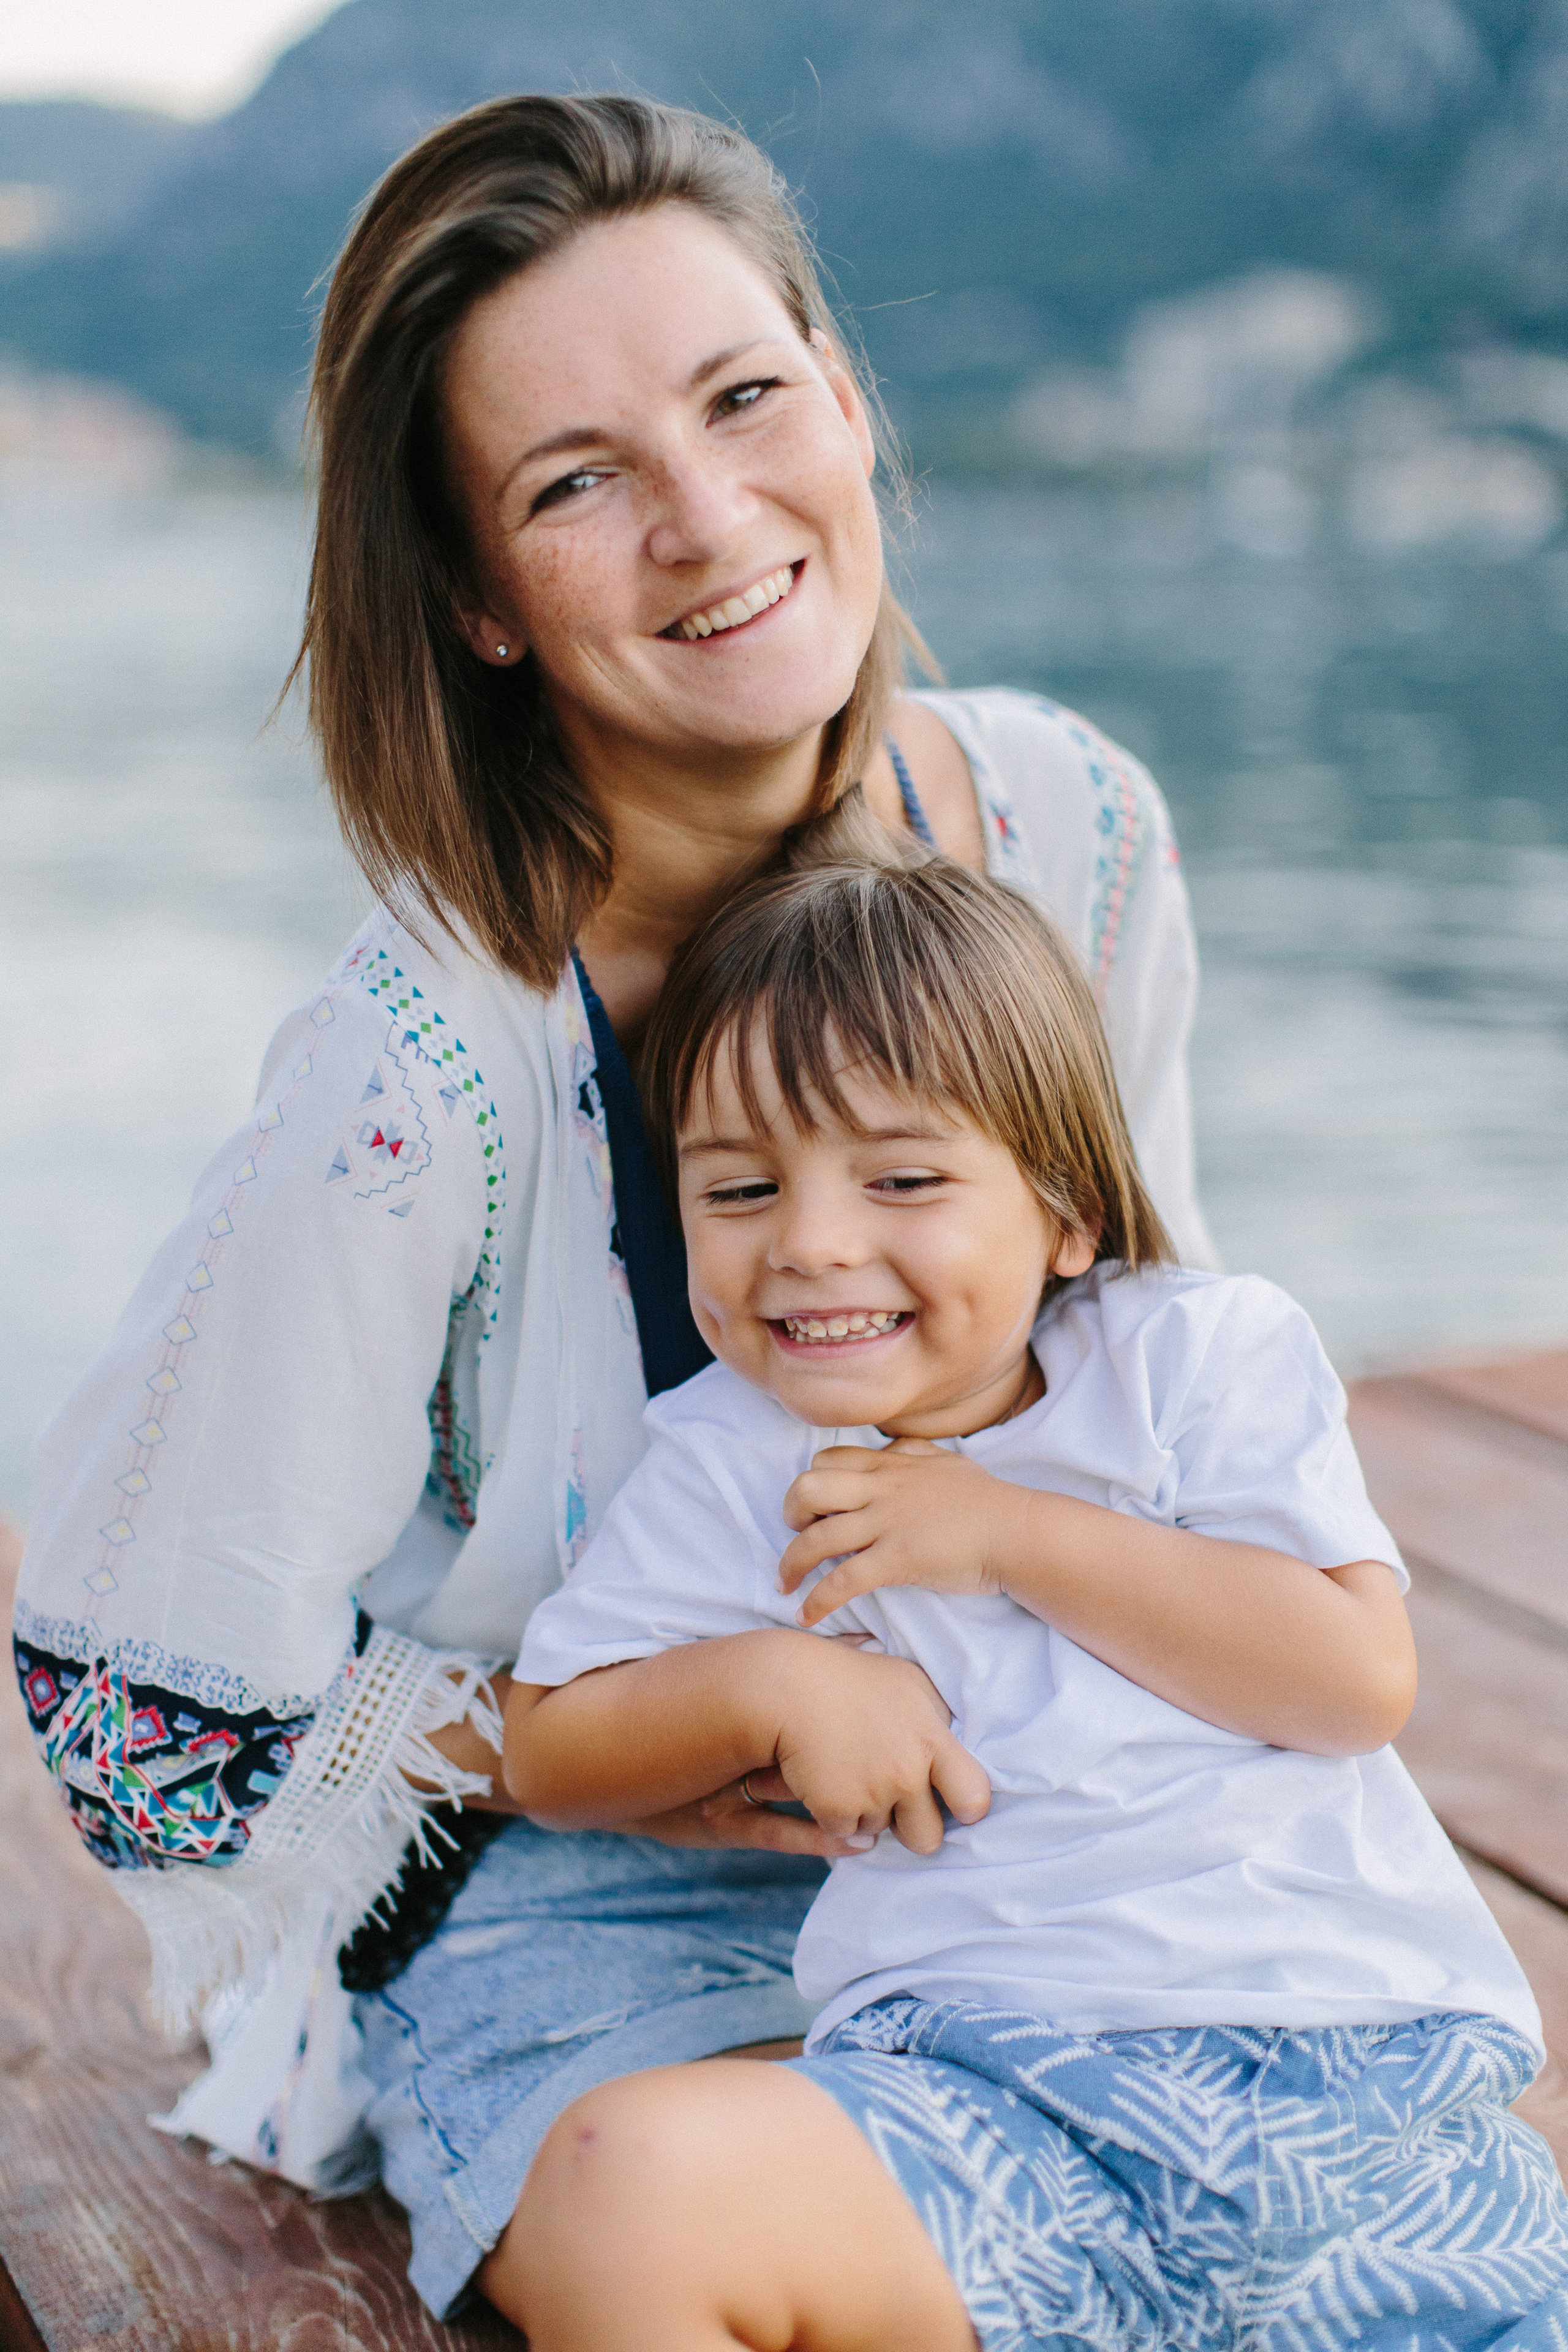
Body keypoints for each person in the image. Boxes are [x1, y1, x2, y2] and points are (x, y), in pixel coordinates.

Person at [8, 90, 1406, 2321]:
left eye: (747, 399)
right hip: (594, 1904)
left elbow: (1149, 1348)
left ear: (844, 400)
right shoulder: (422, 1078)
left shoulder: (1071, 832)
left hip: (1056, 1825)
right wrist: (673, 1727)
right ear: (474, 598)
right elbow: (137, 1715)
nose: (709, 520)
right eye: (580, 483)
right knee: (713, 2221)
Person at [500, 854, 1564, 2352]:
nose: (804, 1242)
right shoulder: (737, 1458)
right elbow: (549, 1750)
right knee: (621, 2186)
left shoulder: (1194, 1358)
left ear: (1064, 1213)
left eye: (902, 1179)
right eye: (737, 1188)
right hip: (979, 2103)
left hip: (1345, 2089)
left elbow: (1348, 1680)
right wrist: (767, 1685)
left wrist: (1006, 1537)